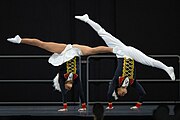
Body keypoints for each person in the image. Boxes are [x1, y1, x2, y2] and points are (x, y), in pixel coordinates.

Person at [75, 14, 176, 110]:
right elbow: (142, 94)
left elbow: (109, 93)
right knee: (150, 62)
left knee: (103, 33)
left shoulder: (116, 80)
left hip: (121, 51)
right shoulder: (132, 82)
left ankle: (87, 19)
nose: (122, 94)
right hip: (131, 54)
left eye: (119, 94)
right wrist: (137, 105)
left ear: (117, 89)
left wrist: (110, 105)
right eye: (122, 95)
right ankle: (167, 68)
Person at [7, 35, 115, 112]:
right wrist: (83, 106)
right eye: (69, 88)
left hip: (63, 50)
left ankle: (19, 40)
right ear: (72, 85)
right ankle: (114, 49)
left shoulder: (62, 77)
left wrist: (64, 107)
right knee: (93, 50)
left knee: (42, 44)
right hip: (76, 50)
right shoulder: (76, 78)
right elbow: (81, 92)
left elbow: (63, 93)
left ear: (64, 85)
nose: (68, 88)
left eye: (66, 88)